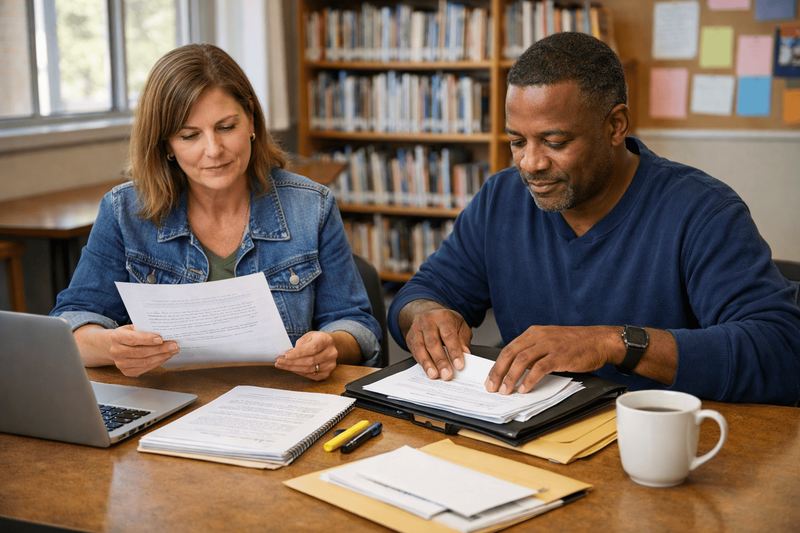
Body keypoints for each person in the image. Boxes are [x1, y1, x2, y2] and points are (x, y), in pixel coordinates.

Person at [388, 32, 800, 405]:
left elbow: (781, 350)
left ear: (615, 126)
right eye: (517, 141)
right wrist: (424, 315)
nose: (530, 163)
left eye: (555, 141)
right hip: (532, 434)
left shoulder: (702, 211)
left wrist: (613, 343)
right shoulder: (502, 198)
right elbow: (423, 293)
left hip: (660, 441)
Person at [51, 43, 381, 379]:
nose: (213, 150)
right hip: (171, 401)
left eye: (226, 127)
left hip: (282, 398)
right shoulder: (124, 212)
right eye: (190, 135)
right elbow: (71, 324)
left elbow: (357, 326)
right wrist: (111, 346)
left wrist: (331, 345)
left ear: (251, 120)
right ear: (167, 144)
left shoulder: (312, 206)